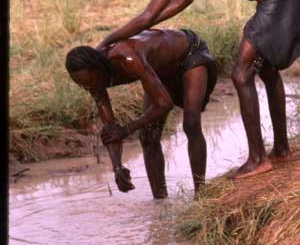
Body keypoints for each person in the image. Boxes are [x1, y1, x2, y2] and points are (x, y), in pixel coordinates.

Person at [96, 0, 300, 179]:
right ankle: (281, 149)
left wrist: (108, 40)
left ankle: (258, 159)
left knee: (241, 74)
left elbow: (146, 16)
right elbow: (184, 0)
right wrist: (149, 24)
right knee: (266, 69)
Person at [65, 28, 217, 197]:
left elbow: (164, 103)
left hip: (188, 54)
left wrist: (127, 129)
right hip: (160, 71)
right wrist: (117, 167)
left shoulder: (126, 59)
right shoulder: (94, 83)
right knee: (147, 136)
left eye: (88, 81)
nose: (87, 87)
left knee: (191, 123)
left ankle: (200, 194)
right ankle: (160, 202)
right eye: (81, 85)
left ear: (98, 69)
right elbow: (111, 129)